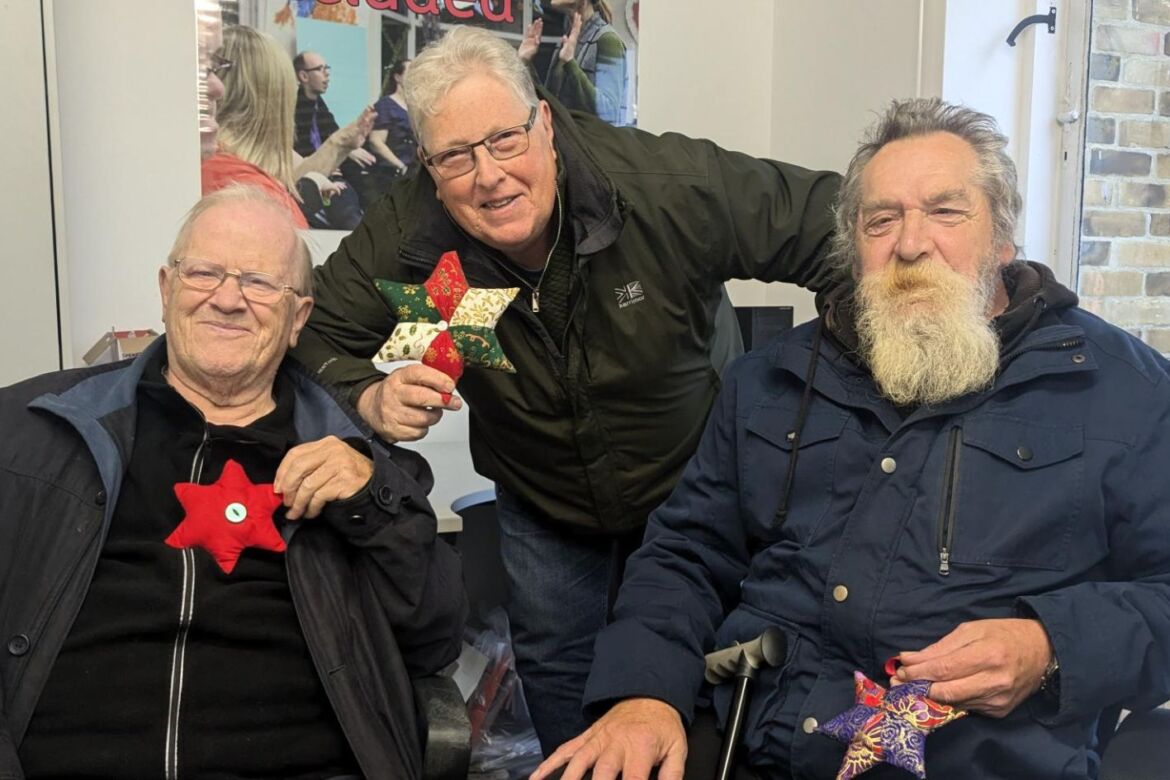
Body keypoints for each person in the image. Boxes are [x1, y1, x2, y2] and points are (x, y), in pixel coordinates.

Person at [535, 98, 1170, 780]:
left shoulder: (1122, 391)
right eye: (881, 219)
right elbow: (684, 555)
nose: (909, 243)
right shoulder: (769, 379)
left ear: (1003, 237)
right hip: (749, 742)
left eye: (946, 211)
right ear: (852, 245)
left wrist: (1052, 645)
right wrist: (643, 693)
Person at [292, 26, 841, 753]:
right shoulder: (404, 228)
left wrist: (819, 407)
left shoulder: (664, 187)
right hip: (540, 500)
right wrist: (366, 397)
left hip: (691, 496)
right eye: (456, 156)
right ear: (426, 164)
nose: (488, 175)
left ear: (544, 122)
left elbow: (838, 226)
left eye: (505, 140)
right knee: (562, 693)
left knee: (702, 695)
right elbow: (309, 333)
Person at [0, 185, 466, 778]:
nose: (227, 299)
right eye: (204, 273)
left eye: (259, 282)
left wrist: (371, 502)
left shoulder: (358, 456)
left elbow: (435, 640)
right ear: (167, 290)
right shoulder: (28, 432)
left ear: (299, 317)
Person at [204, 26, 370, 229]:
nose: (326, 75)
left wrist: (342, 144)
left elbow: (295, 173)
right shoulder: (231, 171)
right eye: (319, 69)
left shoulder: (229, 157)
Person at [294, 50, 380, 217]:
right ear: (304, 76)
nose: (327, 74)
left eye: (327, 68)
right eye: (320, 69)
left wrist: (350, 147)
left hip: (330, 174)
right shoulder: (293, 108)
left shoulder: (319, 104)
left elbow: (334, 133)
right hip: (311, 178)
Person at [519, 0, 628, 125]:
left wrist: (570, 63)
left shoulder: (607, 39)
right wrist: (525, 62)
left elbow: (608, 111)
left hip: (589, 143)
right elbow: (550, 104)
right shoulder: (568, 38)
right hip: (567, 142)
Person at [367, 59, 419, 184]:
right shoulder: (385, 105)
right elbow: (376, 141)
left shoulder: (415, 107)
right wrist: (400, 166)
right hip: (393, 174)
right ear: (397, 77)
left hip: (415, 170)